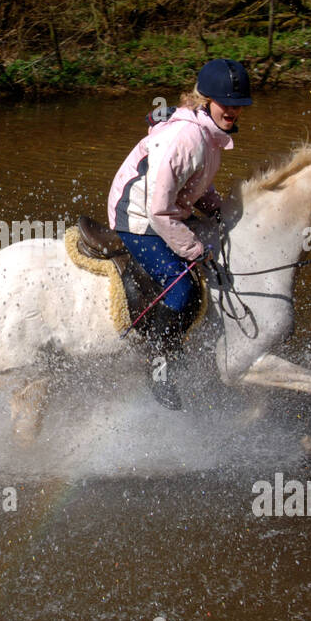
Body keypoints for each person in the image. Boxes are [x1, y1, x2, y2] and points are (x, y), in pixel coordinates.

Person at [106, 58, 253, 409]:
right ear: (206, 102)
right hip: (138, 218)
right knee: (181, 287)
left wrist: (217, 207)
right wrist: (194, 249)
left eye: (238, 105)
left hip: (164, 212)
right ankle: (158, 366)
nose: (232, 111)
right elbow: (158, 210)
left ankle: (173, 343)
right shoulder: (186, 138)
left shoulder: (208, 135)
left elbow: (197, 181)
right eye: (226, 103)